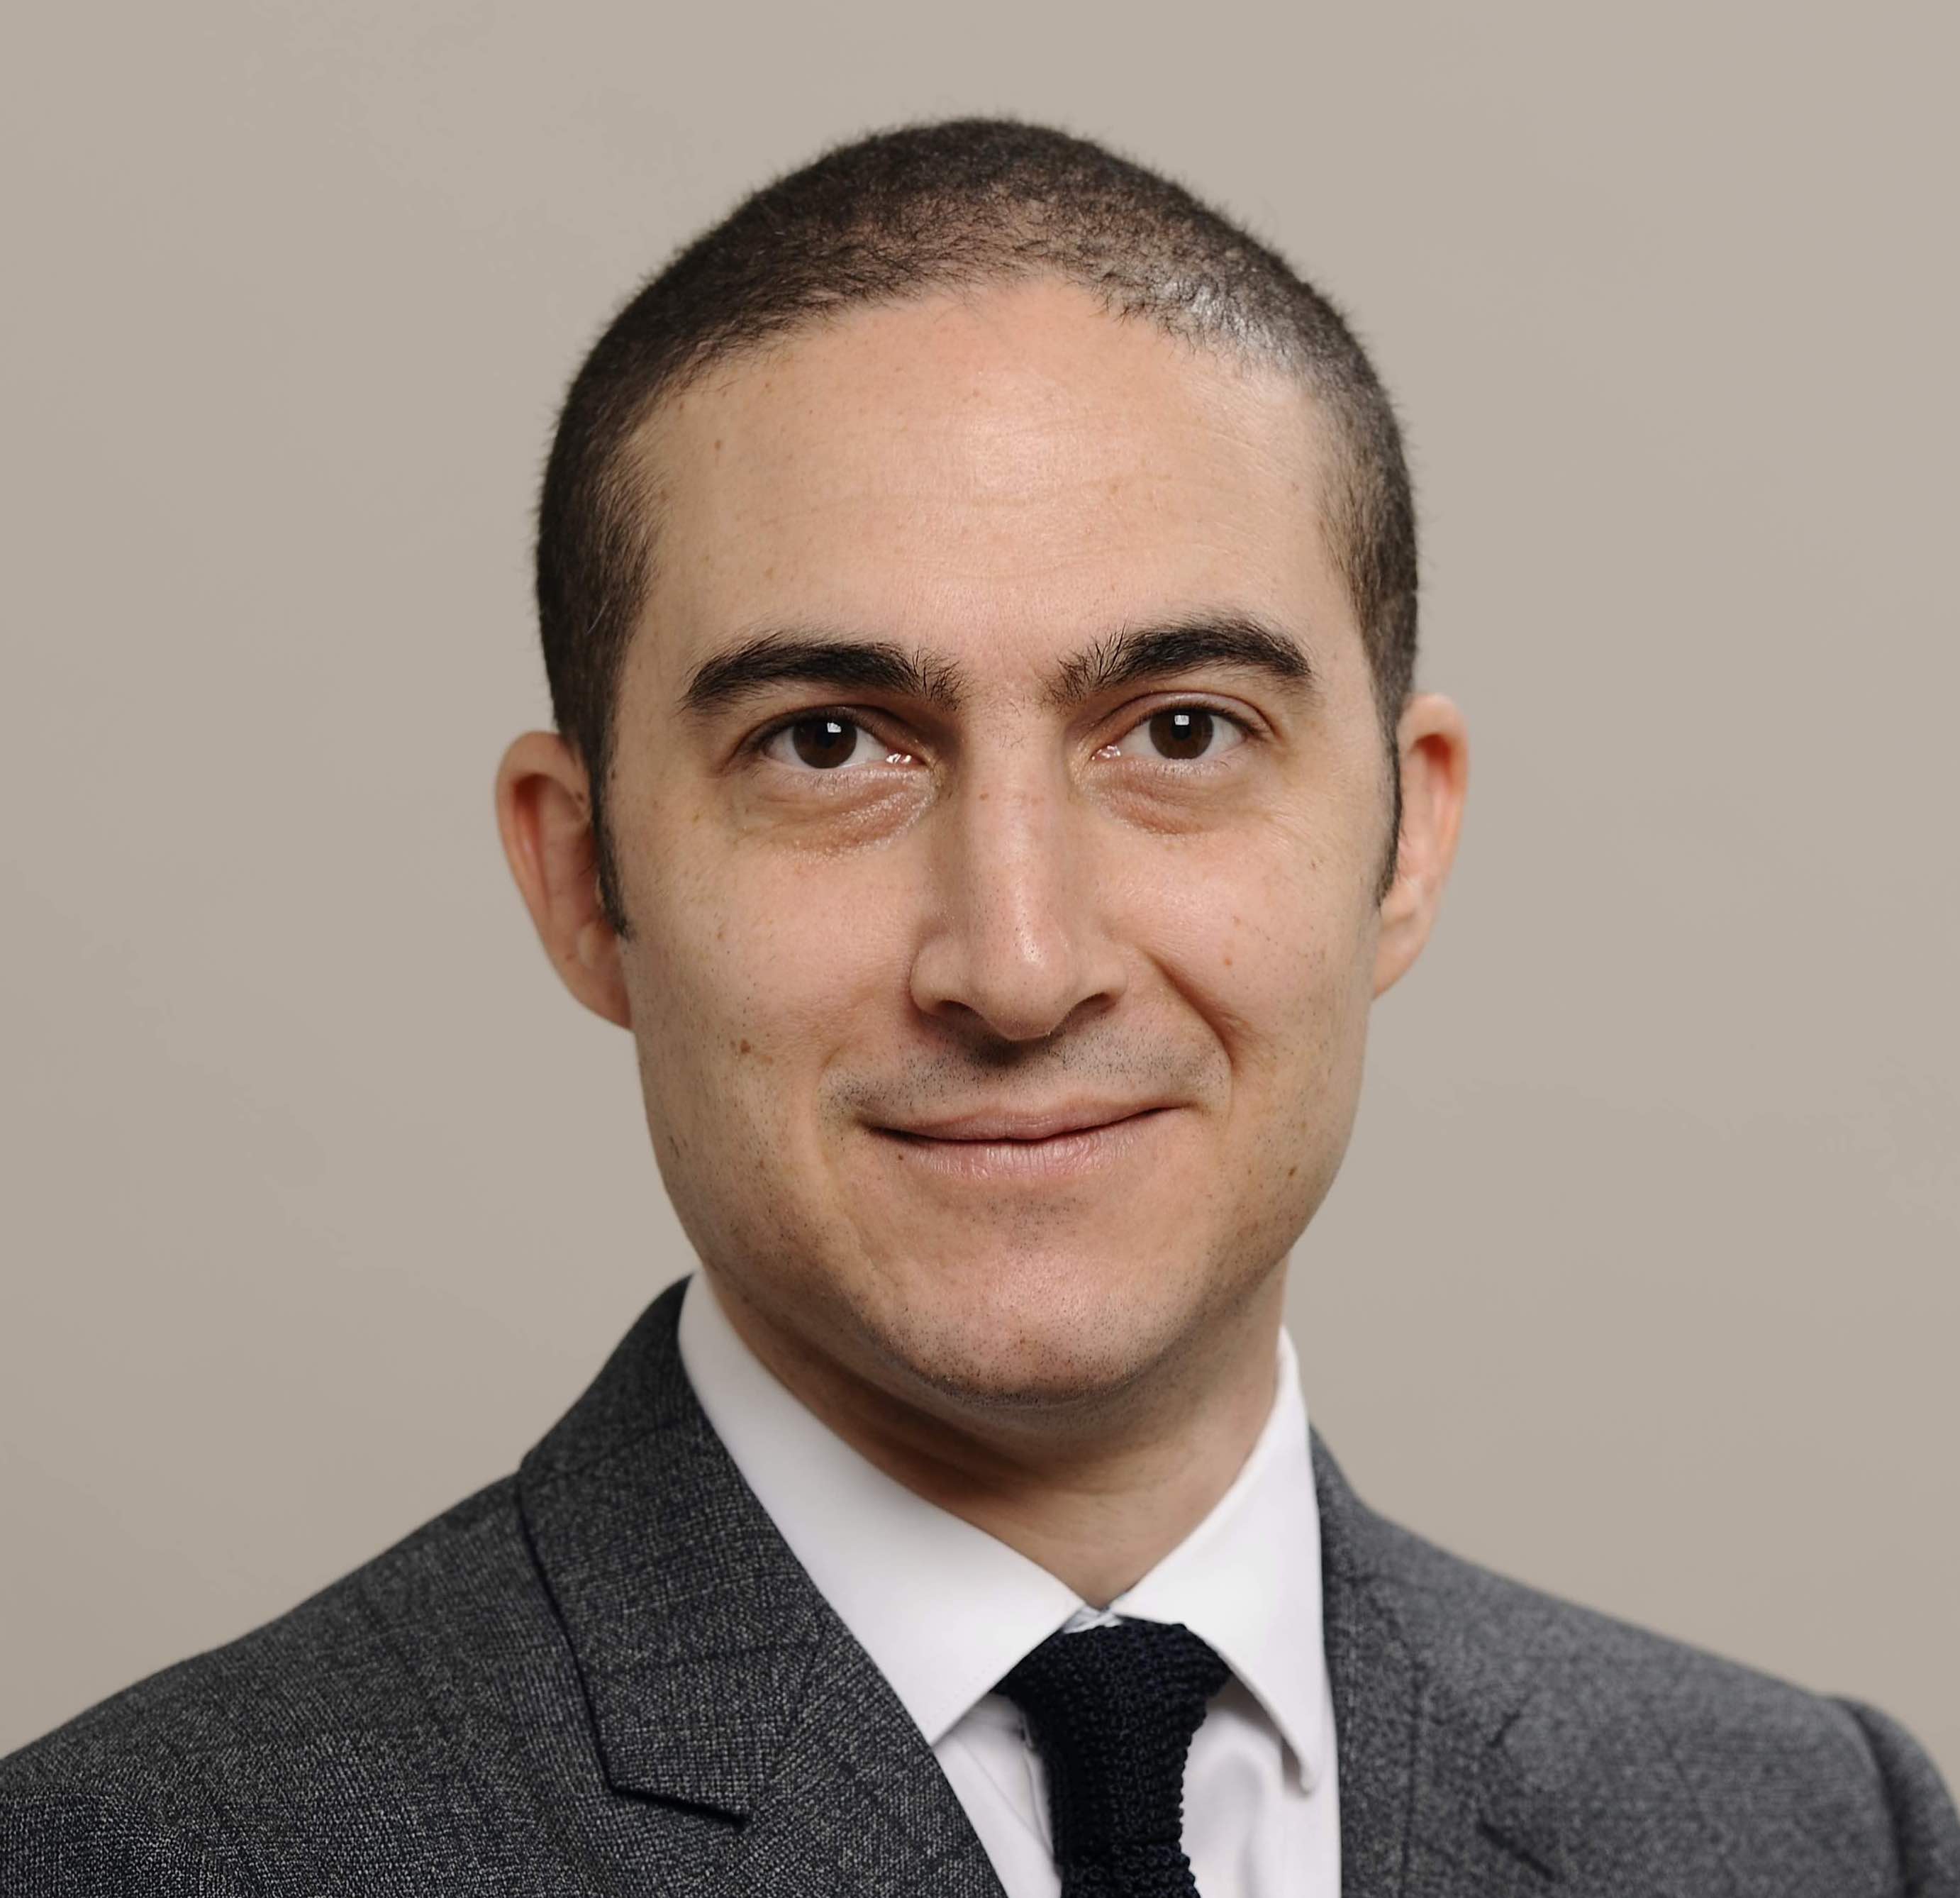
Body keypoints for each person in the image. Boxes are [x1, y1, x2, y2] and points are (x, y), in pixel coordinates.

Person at [2, 116, 1952, 1897]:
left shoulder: (1811, 1835)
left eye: (1180, 732)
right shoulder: (144, 1860)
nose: (1018, 963)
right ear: (583, 878)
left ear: (1404, 837)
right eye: (829, 742)